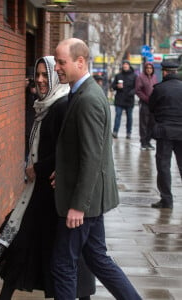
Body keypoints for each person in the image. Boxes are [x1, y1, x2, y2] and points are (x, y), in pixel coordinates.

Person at [0, 56, 95, 300]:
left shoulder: (62, 105)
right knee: (27, 248)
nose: (41, 80)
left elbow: (66, 149)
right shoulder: (45, 105)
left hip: (53, 193)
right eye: (39, 75)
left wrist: (38, 168)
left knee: (54, 253)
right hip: (40, 192)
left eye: (46, 75)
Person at [51, 38, 142, 300]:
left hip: (84, 203)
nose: (57, 67)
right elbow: (84, 151)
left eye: (61, 62)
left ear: (80, 62)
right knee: (97, 258)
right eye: (56, 61)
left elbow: (92, 156)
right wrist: (64, 170)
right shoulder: (82, 92)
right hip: (91, 198)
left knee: (63, 264)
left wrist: (78, 205)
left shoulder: (88, 98)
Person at [149, 61, 182, 209]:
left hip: (164, 132)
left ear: (164, 72)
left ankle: (167, 200)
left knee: (163, 167)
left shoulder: (159, 89)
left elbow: (152, 108)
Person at [111, 60, 137, 139]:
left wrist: (131, 93)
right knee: (118, 116)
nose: (125, 66)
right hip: (119, 99)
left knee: (129, 117)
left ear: (129, 66)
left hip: (129, 99)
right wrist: (117, 86)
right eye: (124, 65)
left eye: (126, 65)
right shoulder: (118, 75)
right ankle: (115, 132)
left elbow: (137, 87)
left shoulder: (134, 76)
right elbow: (112, 86)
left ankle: (129, 132)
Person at [135, 62, 158, 150]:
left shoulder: (154, 77)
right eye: (147, 68)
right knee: (144, 123)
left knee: (152, 123)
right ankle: (143, 142)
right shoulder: (140, 77)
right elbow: (138, 90)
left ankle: (148, 141)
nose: (149, 69)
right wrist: (146, 98)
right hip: (145, 103)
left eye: (151, 68)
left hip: (153, 104)